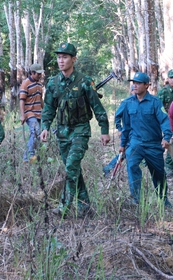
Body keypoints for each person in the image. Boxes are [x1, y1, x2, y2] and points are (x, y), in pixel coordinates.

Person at [40, 42, 110, 217]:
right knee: (74, 170)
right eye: (59, 57)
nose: (60, 61)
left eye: (64, 57)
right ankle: (85, 206)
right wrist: (45, 127)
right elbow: (49, 108)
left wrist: (104, 130)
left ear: (73, 59)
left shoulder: (85, 82)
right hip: (62, 132)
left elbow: (97, 107)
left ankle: (64, 206)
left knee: (71, 166)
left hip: (80, 130)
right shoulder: (53, 83)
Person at [119, 72, 172, 207]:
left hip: (153, 144)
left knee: (158, 172)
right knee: (131, 166)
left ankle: (163, 200)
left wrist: (166, 137)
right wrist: (123, 144)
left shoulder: (155, 102)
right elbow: (126, 126)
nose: (135, 85)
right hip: (135, 143)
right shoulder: (128, 103)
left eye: (138, 83)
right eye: (133, 83)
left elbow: (164, 120)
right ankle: (136, 199)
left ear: (146, 85)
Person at [103, 84, 136, 176]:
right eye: (133, 90)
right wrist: (119, 128)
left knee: (130, 151)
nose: (135, 92)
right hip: (128, 132)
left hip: (138, 133)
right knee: (127, 151)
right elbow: (117, 116)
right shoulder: (126, 102)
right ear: (131, 91)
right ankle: (109, 167)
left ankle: (109, 167)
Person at [157, 69, 173, 177]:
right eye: (171, 78)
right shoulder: (163, 92)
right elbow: (157, 108)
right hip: (165, 121)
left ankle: (170, 167)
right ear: (168, 79)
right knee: (161, 144)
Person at [19, 63, 45, 162]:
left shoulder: (39, 84)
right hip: (29, 113)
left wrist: (45, 110)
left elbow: (40, 99)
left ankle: (31, 155)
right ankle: (28, 157)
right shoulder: (25, 84)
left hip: (39, 112)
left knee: (38, 135)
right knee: (35, 131)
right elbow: (21, 100)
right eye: (38, 74)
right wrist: (22, 115)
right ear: (32, 73)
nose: (40, 75)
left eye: (40, 74)